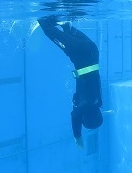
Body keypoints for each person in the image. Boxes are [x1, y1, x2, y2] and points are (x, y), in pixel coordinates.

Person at [38, 16, 103, 147]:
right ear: (86, 116)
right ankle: (44, 19)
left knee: (66, 26)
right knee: (47, 27)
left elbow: (79, 113)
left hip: (92, 51)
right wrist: (77, 136)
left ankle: (66, 27)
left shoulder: (97, 101)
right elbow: (75, 116)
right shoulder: (86, 104)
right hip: (79, 52)